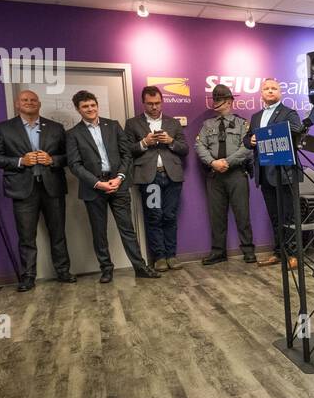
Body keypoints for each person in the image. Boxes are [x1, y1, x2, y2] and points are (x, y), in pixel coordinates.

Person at [64, 91, 158, 282]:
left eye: (92, 105)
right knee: (99, 232)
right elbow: (74, 165)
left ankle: (140, 267)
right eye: (85, 106)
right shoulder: (73, 134)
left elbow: (126, 154)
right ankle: (106, 268)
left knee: (128, 229)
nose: (90, 109)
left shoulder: (113, 126)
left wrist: (120, 177)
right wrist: (98, 183)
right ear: (77, 109)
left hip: (118, 185)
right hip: (94, 188)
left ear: (97, 105)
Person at [0, 90, 76, 291]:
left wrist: (53, 160)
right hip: (22, 189)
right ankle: (28, 277)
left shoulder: (55, 128)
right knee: (26, 237)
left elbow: (69, 157)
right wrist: (20, 161)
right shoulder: (4, 128)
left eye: (33, 100)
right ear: (18, 104)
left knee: (58, 233)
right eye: (25, 100)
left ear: (39, 104)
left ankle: (63, 272)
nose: (29, 102)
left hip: (52, 187)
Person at [124, 86, 188, 272]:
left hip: (171, 177)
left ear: (162, 102)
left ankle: (172, 255)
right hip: (150, 178)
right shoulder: (132, 123)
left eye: (157, 103)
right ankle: (159, 257)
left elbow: (185, 149)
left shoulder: (173, 123)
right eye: (150, 104)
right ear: (143, 103)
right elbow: (127, 150)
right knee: (154, 216)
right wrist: (144, 143)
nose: (154, 107)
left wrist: (171, 142)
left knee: (170, 216)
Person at [245, 77, 303, 268]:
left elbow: (297, 129)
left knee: (289, 216)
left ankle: (294, 254)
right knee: (275, 216)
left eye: (274, 88)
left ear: (280, 93)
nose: (270, 91)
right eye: (266, 89)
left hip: (284, 172)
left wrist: (267, 134)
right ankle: (279, 252)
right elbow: (246, 139)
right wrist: (251, 141)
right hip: (263, 172)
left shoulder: (289, 112)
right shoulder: (255, 117)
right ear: (261, 93)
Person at [194, 84, 256, 265]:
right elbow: (199, 146)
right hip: (215, 175)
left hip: (236, 173)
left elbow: (247, 147)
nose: (215, 102)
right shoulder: (207, 125)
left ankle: (248, 250)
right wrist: (213, 162)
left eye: (219, 99)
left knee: (242, 214)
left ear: (229, 101)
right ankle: (218, 252)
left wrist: (227, 162)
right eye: (214, 99)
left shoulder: (242, 124)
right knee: (217, 216)